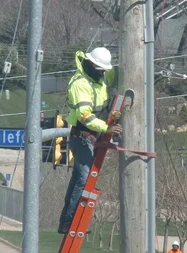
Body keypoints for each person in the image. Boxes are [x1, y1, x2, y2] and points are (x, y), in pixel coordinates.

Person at [57, 47, 123, 234]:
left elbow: (117, 73)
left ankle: (68, 220)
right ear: (92, 65)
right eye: (101, 69)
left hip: (92, 137)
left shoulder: (100, 78)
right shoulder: (80, 84)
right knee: (83, 180)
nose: (103, 73)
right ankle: (70, 222)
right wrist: (107, 128)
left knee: (80, 180)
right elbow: (85, 116)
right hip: (82, 137)